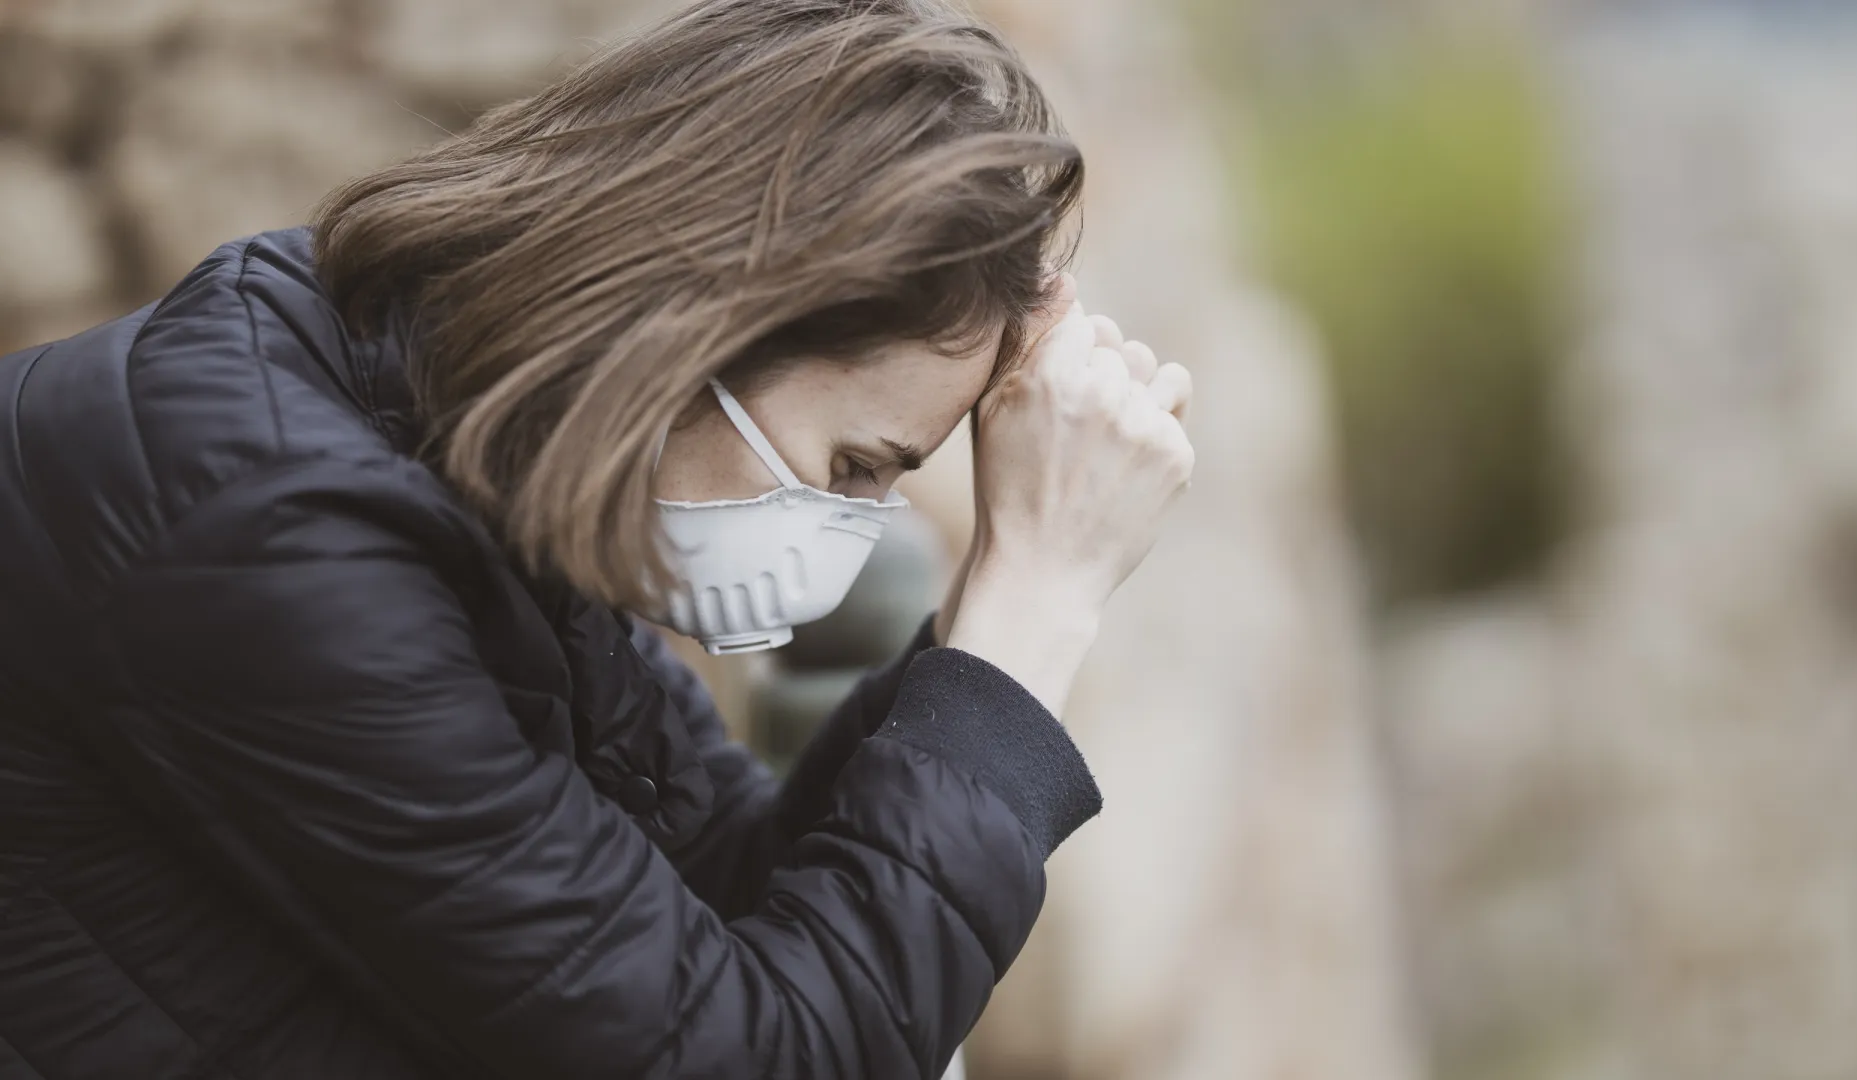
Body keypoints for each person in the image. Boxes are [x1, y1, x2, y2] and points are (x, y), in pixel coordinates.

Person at [0, 0, 1194, 1077]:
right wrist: (1037, 603)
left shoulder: (450, 444)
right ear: (702, 319)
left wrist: (985, 611)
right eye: (853, 467)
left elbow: (730, 886)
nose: (853, 526)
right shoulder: (269, 528)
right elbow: (753, 1053)